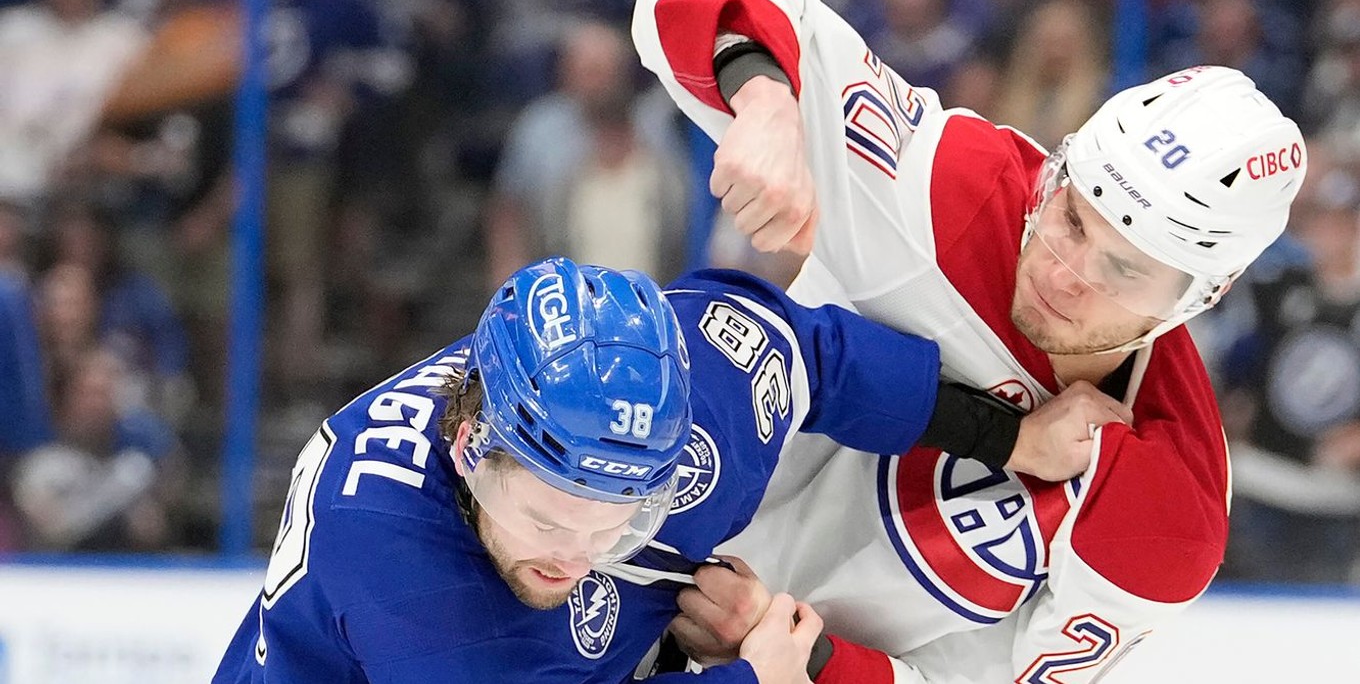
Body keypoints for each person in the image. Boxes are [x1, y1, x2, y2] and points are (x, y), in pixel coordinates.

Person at [630, 0, 1308, 681]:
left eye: (1122, 271)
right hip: (605, 545)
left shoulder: (1165, 506)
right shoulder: (947, 195)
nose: (1062, 271)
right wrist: (765, 100)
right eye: (1073, 216)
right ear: (1056, 171)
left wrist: (808, 657)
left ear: (1202, 297)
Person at [213, 256, 1120, 683]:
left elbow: (819, 357)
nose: (575, 555)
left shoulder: (704, 383)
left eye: (617, 516)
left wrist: (1007, 437)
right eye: (546, 519)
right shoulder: (410, 586)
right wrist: (751, 676)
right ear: (469, 449)